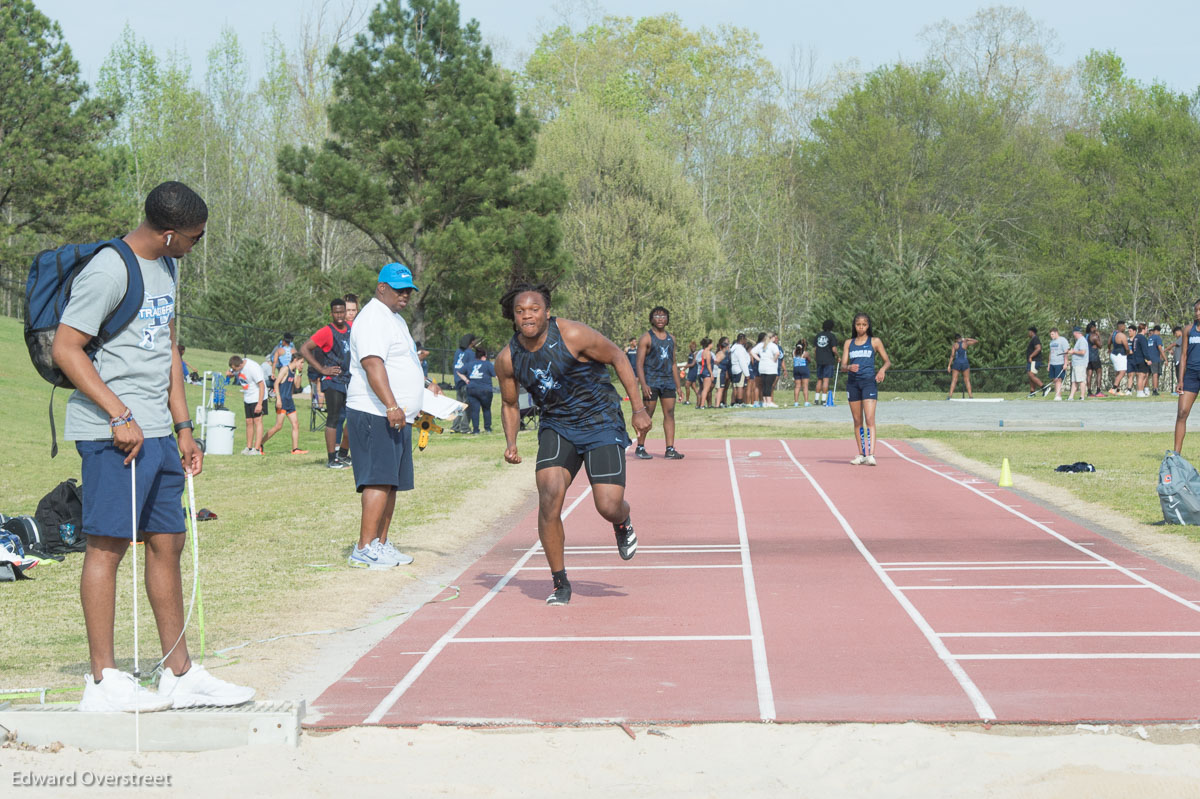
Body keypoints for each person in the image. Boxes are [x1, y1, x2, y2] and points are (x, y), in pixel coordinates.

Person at [54, 180, 253, 711]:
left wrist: (185, 427)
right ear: (168, 234)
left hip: (161, 436)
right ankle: (103, 682)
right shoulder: (108, 269)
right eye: (194, 237)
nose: (197, 244)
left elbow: (168, 348)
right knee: (107, 547)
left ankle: (179, 673)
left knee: (169, 543)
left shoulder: (168, 266)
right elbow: (66, 349)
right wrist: (118, 414)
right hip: (112, 436)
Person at [495, 282, 652, 605]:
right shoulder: (508, 358)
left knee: (607, 505)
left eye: (534, 309)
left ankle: (622, 521)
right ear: (513, 317)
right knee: (549, 496)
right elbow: (510, 404)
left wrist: (638, 409)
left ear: (547, 313)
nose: (528, 316)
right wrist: (511, 442)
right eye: (521, 311)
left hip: (600, 420)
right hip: (557, 425)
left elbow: (619, 357)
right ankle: (560, 582)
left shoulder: (573, 335)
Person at [345, 263, 437, 568]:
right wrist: (391, 405)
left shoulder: (394, 320)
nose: (405, 295)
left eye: (409, 290)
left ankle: (381, 544)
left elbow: (402, 362)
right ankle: (364, 547)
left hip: (397, 415)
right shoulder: (373, 317)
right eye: (399, 290)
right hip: (375, 412)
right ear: (381, 287)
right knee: (377, 480)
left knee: (391, 482)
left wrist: (424, 386)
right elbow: (373, 364)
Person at [301, 298, 353, 468]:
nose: (339, 315)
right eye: (336, 312)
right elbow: (304, 349)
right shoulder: (326, 331)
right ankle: (332, 459)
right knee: (334, 417)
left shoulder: (352, 328)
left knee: (354, 417)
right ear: (331, 313)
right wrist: (322, 369)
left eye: (342, 312)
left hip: (350, 379)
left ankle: (344, 454)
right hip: (333, 380)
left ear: (346, 312)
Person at [634, 306, 684, 459]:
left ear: (667, 319)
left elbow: (674, 363)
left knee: (669, 413)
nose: (660, 319)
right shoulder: (646, 338)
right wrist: (643, 384)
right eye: (657, 316)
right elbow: (639, 364)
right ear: (651, 319)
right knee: (648, 414)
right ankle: (640, 447)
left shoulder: (671, 338)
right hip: (651, 381)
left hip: (668, 381)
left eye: (663, 316)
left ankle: (670, 449)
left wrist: (678, 386)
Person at [840, 312, 891, 466]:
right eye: (858, 325)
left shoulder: (874, 341)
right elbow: (842, 366)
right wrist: (849, 366)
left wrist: (882, 370)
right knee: (857, 420)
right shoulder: (849, 343)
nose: (861, 327)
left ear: (868, 326)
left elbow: (887, 361)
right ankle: (861, 454)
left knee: (869, 418)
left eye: (864, 325)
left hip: (868, 382)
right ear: (854, 326)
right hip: (853, 384)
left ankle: (871, 454)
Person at [261, 356, 308, 454]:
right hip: (282, 401)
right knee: (278, 426)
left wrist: (299, 373)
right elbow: (276, 383)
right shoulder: (285, 369)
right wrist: (278, 399)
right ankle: (259, 444)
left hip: (289, 402)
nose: (302, 365)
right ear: (295, 360)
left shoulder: (294, 371)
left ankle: (295, 449)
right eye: (301, 362)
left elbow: (298, 386)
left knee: (295, 424)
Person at [227, 355, 266, 453]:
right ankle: (248, 447)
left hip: (258, 397)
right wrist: (231, 373)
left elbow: (262, 385)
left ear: (240, 365)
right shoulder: (239, 365)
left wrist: (260, 404)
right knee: (249, 421)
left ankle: (257, 449)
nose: (234, 370)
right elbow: (233, 372)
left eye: (235, 369)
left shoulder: (253, 368)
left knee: (258, 421)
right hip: (248, 397)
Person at [1175, 301, 1200, 454]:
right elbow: (1183, 355)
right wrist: (1180, 379)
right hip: (1190, 374)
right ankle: (1176, 454)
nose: (1197, 313)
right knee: (1182, 412)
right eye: (1196, 310)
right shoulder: (1188, 330)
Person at [451, 333, 478, 434]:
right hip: (466, 381)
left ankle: (455, 426)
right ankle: (465, 427)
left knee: (459, 405)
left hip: (458, 381)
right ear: (471, 342)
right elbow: (471, 368)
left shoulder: (458, 352)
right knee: (467, 405)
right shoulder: (470, 353)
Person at [465, 347, 496, 434]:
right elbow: (495, 375)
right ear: (484, 356)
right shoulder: (487, 364)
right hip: (485, 390)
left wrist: (466, 380)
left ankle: (475, 430)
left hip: (472, 389)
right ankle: (488, 428)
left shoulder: (470, 364)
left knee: (475, 410)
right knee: (486, 409)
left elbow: (459, 372)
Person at [814, 320, 839, 405]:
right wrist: (838, 357)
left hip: (819, 360)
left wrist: (816, 358)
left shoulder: (818, 335)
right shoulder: (831, 336)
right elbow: (834, 349)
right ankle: (824, 400)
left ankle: (816, 399)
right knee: (826, 380)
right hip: (828, 360)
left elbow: (815, 349)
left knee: (819, 379)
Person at [946, 334, 977, 399]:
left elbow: (952, 355)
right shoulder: (965, 343)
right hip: (965, 362)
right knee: (967, 380)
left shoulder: (954, 345)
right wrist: (967, 338)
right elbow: (976, 341)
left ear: (955, 339)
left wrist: (949, 365)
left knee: (954, 380)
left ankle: (950, 396)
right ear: (961, 338)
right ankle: (970, 396)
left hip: (957, 363)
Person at [758, 332, 782, 408]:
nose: (776, 339)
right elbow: (777, 354)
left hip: (764, 368)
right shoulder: (772, 345)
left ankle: (765, 402)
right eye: (775, 337)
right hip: (770, 369)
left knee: (766, 385)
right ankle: (768, 402)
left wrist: (760, 359)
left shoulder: (764, 345)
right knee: (768, 385)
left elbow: (752, 352)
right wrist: (773, 360)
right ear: (772, 338)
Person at [1065, 327, 1089, 401]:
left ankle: (1082, 397)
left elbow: (1083, 352)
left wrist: (1073, 352)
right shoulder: (1078, 341)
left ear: (1076, 332)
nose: (1073, 335)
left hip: (1080, 364)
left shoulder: (1082, 341)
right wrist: (1072, 361)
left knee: (1081, 380)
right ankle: (1071, 397)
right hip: (1076, 364)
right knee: (1074, 381)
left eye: (1074, 333)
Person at [1108, 321, 1131, 396]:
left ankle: (1117, 390)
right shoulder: (1122, 335)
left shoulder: (1113, 334)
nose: (1125, 328)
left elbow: (1109, 343)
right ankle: (1113, 388)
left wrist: (1109, 349)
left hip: (1114, 354)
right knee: (1122, 372)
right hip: (1120, 355)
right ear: (1121, 326)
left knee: (1118, 372)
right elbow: (1127, 347)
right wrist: (1128, 353)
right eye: (1124, 326)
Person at [729, 333, 751, 407]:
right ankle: (739, 402)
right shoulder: (740, 349)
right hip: (740, 369)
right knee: (740, 387)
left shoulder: (734, 348)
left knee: (735, 386)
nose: (746, 341)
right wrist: (747, 374)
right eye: (745, 339)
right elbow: (742, 362)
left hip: (734, 369)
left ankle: (734, 402)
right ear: (742, 339)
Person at [1046, 328, 1068, 400]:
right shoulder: (1052, 342)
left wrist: (1065, 363)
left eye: (1052, 334)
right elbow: (1050, 353)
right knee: (1054, 379)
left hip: (1060, 362)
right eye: (1050, 335)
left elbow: (1066, 352)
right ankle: (1057, 394)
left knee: (1058, 379)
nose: (1051, 336)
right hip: (1053, 363)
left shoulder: (1062, 340)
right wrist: (1049, 364)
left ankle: (1058, 396)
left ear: (1056, 333)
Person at [695, 337, 714, 409]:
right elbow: (708, 364)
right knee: (706, 389)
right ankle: (702, 405)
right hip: (706, 372)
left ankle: (700, 404)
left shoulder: (703, 351)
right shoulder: (708, 352)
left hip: (702, 371)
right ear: (709, 344)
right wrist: (711, 373)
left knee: (702, 388)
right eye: (711, 343)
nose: (712, 345)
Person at [1086, 323, 1104, 397]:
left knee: (1089, 374)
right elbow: (1100, 346)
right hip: (1094, 357)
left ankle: (1089, 392)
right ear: (1092, 328)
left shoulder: (1086, 336)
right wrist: (1098, 336)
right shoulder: (1094, 336)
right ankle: (1098, 391)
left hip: (1087, 357)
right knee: (1099, 372)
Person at [1025, 327, 1044, 397]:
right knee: (1030, 377)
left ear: (1032, 332)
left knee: (1031, 375)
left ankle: (1044, 387)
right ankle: (1032, 392)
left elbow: (1038, 348)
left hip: (1035, 360)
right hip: (1032, 361)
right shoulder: (1032, 340)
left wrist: (1031, 356)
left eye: (1029, 332)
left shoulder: (1035, 339)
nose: (1028, 333)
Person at [792, 339, 811, 406]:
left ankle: (796, 402)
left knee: (797, 386)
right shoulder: (805, 353)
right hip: (804, 369)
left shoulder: (794, 352)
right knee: (805, 386)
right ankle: (806, 402)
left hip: (796, 369)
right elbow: (809, 360)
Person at [1149, 324, 1165, 396]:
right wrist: (1165, 358)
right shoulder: (1157, 338)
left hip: (1149, 358)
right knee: (1155, 374)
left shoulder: (1149, 338)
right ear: (1158, 331)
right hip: (1155, 358)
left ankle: (1146, 389)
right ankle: (1155, 389)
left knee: (1149, 374)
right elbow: (1160, 348)